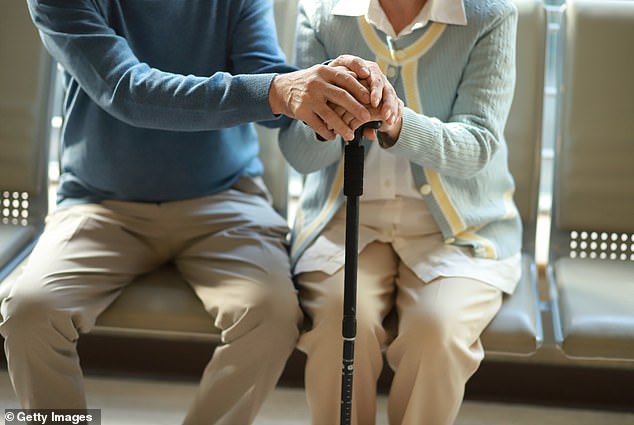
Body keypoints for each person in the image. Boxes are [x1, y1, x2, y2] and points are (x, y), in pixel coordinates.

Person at [0, 0, 398, 424]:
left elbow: (271, 82)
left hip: (225, 199)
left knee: (272, 316)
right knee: (29, 313)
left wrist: (334, 92)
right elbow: (126, 90)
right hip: (100, 204)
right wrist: (279, 91)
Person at [279, 0, 521, 424]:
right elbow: (299, 156)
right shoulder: (321, 13)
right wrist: (326, 113)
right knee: (340, 326)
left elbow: (478, 145)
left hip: (456, 229)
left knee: (437, 333)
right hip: (344, 218)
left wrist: (397, 123)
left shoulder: (490, 15)